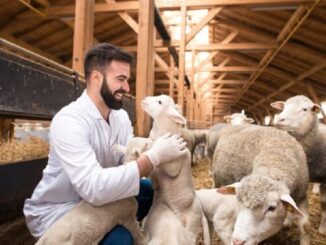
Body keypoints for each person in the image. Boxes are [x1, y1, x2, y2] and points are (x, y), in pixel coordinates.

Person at [23, 43, 187, 244]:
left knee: (149, 191)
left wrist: (152, 148)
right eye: (120, 80)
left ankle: (122, 224)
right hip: (62, 209)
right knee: (121, 240)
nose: (127, 88)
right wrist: (153, 157)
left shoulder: (120, 117)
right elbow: (93, 187)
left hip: (103, 200)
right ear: (95, 78)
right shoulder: (69, 120)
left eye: (127, 80)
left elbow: (127, 162)